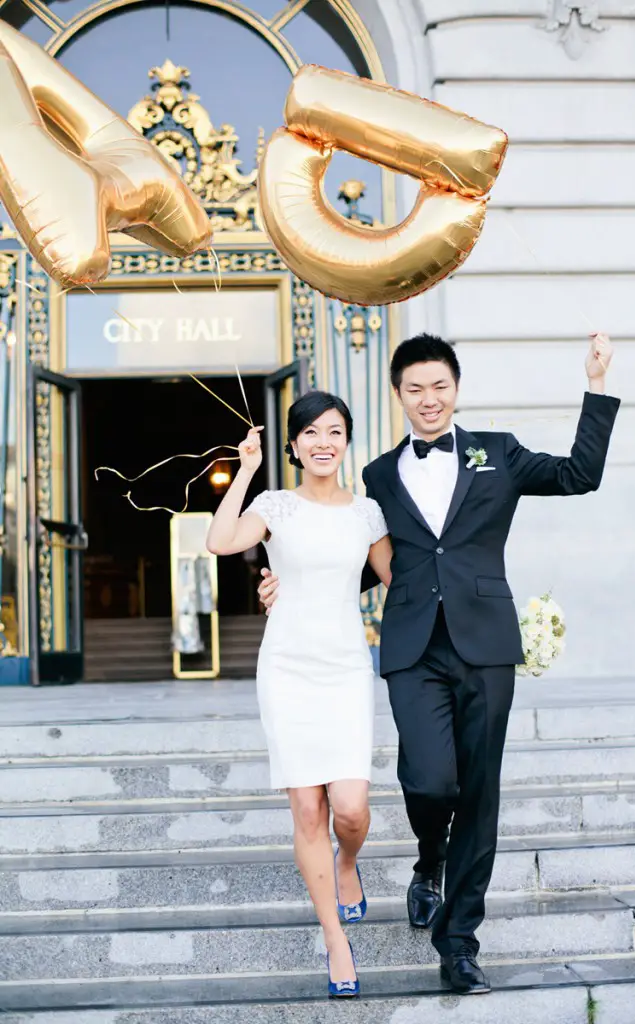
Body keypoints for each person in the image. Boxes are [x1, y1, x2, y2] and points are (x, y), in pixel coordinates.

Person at [258, 331, 620, 994]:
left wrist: (594, 384)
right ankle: (430, 859)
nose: (428, 399)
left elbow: (579, 475)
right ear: (397, 396)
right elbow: (362, 562)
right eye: (414, 388)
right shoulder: (376, 477)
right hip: (412, 649)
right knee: (427, 782)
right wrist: (284, 582)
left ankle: (458, 944)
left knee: (478, 794)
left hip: (484, 645)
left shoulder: (499, 454)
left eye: (439, 386)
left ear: (455, 389)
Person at [206, 391, 392, 999]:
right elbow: (220, 540)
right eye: (309, 433)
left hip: (343, 667)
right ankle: (336, 937)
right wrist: (247, 468)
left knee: (351, 807)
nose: (322, 442)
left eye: (334, 431)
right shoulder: (274, 505)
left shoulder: (367, 513)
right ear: (293, 445)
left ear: (346, 441)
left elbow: (403, 579)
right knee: (308, 809)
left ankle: (346, 863)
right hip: (286, 666)